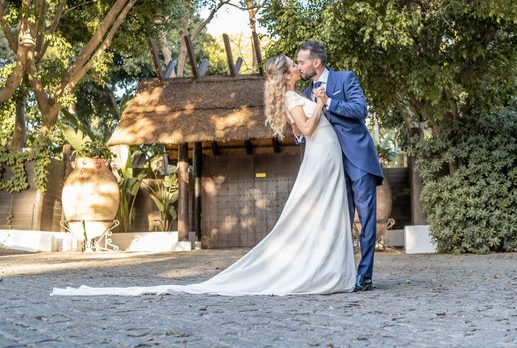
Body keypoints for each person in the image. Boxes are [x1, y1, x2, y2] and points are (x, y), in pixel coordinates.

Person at [51, 54, 355, 297]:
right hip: (321, 154)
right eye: (293, 65)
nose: (298, 67)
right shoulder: (292, 99)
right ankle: (322, 270)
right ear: (286, 75)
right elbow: (308, 129)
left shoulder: (294, 96)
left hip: (326, 154)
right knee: (319, 208)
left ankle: (328, 266)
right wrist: (320, 104)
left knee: (326, 207)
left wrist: (317, 103)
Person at [297, 41, 383, 292]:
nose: (299, 66)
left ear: (316, 62)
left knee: (366, 221)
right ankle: (340, 274)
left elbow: (360, 109)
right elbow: (308, 128)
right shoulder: (304, 93)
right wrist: (297, 131)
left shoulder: (345, 79)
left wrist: (330, 102)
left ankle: (364, 275)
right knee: (337, 221)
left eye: (302, 61)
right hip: (330, 165)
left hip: (358, 159)